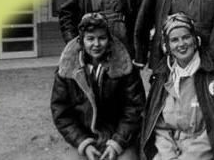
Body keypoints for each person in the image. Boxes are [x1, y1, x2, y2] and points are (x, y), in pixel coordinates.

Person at [140, 12, 214, 160]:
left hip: (203, 153)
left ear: (196, 40)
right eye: (174, 40)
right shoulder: (162, 77)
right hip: (168, 152)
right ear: (167, 46)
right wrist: (169, 156)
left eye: (186, 37)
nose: (181, 44)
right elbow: (160, 128)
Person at [51, 13, 146, 160]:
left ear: (109, 40)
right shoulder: (67, 70)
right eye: (90, 39)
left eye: (102, 38)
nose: (96, 44)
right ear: (81, 40)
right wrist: (83, 143)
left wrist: (117, 142)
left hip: (118, 135)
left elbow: (134, 108)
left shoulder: (124, 67)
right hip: (84, 136)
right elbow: (61, 112)